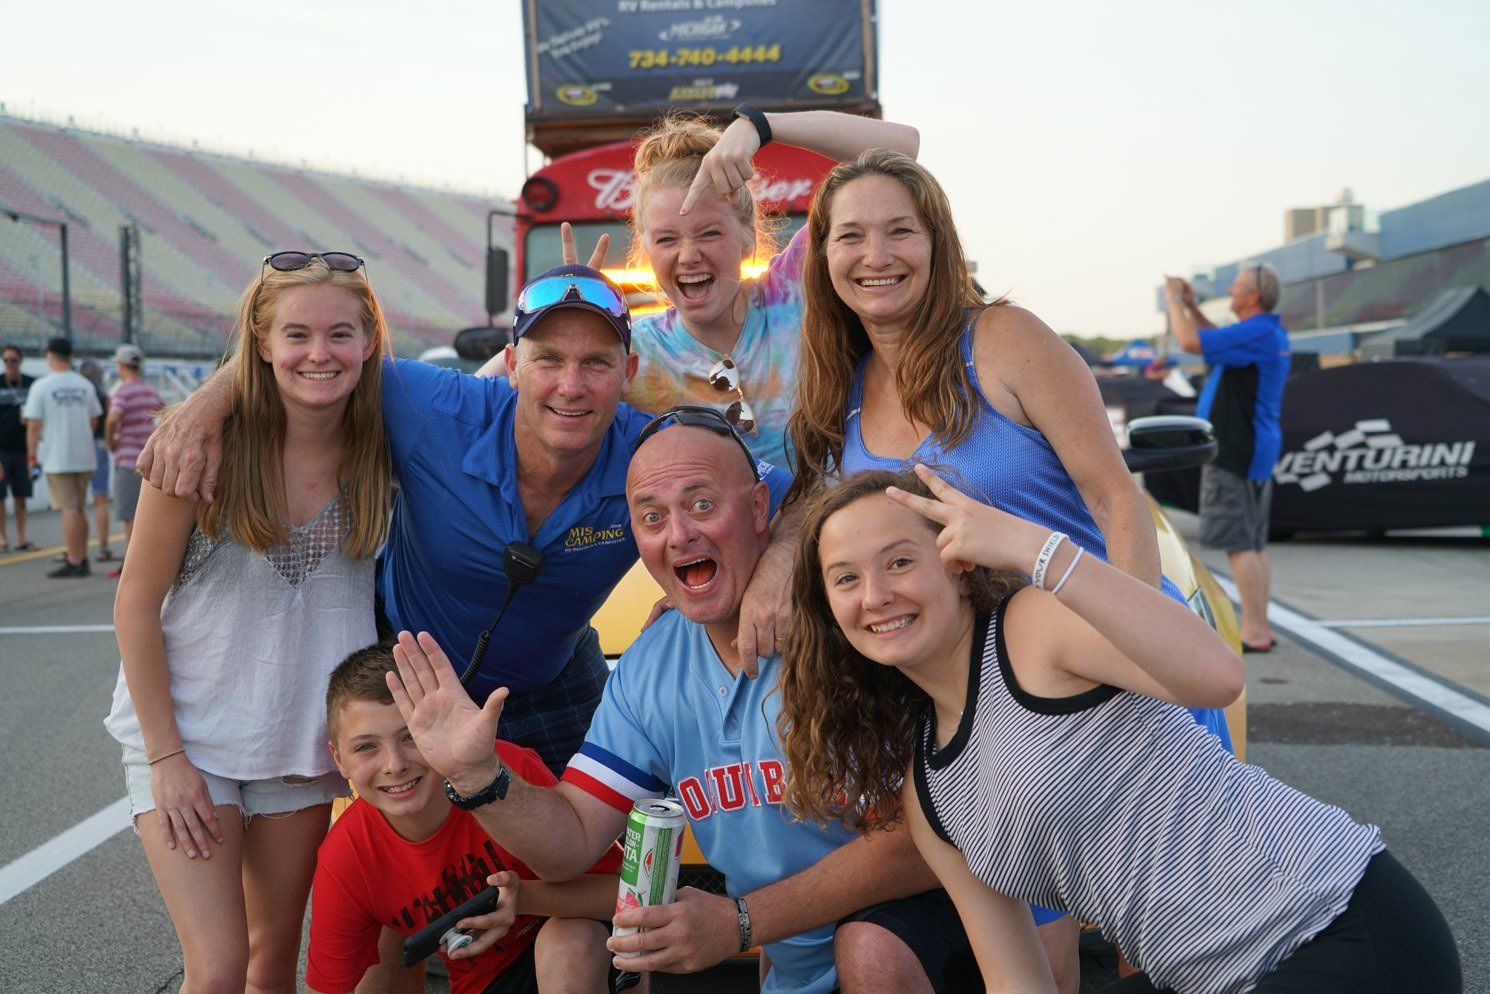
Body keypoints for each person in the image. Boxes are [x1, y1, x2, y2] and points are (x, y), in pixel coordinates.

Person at [379, 411, 1079, 994]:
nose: (678, 533)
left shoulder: (853, 620)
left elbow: (928, 840)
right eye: (652, 516)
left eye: (701, 504)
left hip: (940, 943)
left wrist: (740, 922)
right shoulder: (653, 667)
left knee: (869, 950)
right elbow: (570, 840)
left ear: (759, 509)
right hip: (791, 969)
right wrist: (479, 780)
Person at [777, 465, 1461, 994]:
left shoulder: (1032, 631)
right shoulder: (930, 796)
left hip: (1336, 928)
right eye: (845, 579)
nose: (875, 595)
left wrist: (1033, 547)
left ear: (957, 568)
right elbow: (1017, 980)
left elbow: (1218, 676)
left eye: (899, 562)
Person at [138, 266, 793, 773]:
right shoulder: (433, 406)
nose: (571, 385)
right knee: (407, 898)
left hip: (551, 679)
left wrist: (778, 563)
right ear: (511, 366)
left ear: (628, 372)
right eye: (548, 361)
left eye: (595, 363)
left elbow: (792, 497)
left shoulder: (655, 454)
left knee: (586, 869)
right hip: (407, 677)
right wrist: (203, 405)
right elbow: (313, 361)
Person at [785, 149, 1232, 753]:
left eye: (900, 231)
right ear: (823, 256)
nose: (877, 256)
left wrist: (1130, 669)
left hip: (1103, 676)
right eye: (851, 236)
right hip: (980, 715)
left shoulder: (1003, 339)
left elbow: (1115, 498)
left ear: (937, 243)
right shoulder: (838, 389)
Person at [104, 251, 393, 994]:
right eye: (296, 335)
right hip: (189, 739)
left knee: (271, 962)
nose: (318, 354)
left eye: (340, 335)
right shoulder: (198, 447)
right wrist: (166, 758)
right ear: (260, 346)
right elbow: (135, 602)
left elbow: (502, 385)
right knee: (219, 966)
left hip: (296, 741)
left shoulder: (387, 449)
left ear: (369, 341)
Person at [480, 108, 919, 469]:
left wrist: (760, 125)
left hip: (837, 548)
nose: (688, 255)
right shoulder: (635, 352)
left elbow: (901, 149)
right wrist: (563, 312)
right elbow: (485, 390)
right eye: (667, 239)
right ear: (646, 251)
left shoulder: (797, 290)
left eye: (709, 234)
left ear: (747, 235)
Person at [309, 644, 629, 994]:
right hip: (487, 981)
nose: (395, 764)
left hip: (589, 954)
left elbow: (630, 897)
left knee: (568, 942)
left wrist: (525, 899)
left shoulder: (502, 772)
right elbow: (333, 985)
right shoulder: (346, 855)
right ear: (338, 759)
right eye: (366, 746)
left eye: (411, 736)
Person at [1164, 265, 1290, 653]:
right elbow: (1214, 338)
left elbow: (1189, 342)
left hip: (1237, 448)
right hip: (1254, 448)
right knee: (1252, 543)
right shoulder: (1264, 331)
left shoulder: (1258, 331)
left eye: (1236, 288)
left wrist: (1171, 299)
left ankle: (1253, 632)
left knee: (1240, 544)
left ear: (1252, 297)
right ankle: (1260, 626)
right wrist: (1191, 304)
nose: (1231, 293)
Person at [22, 336, 101, 577]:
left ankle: (75, 559)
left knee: (69, 509)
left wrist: (32, 457)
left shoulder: (42, 386)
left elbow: (33, 426)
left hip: (59, 456)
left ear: (50, 355)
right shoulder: (84, 384)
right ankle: (82, 557)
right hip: (84, 455)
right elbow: (94, 419)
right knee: (78, 508)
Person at [104, 343, 164, 577]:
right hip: (149, 459)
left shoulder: (122, 391)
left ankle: (132, 565)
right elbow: (165, 415)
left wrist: (111, 439)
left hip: (128, 458)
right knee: (147, 514)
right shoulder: (150, 391)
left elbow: (112, 419)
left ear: (120, 366)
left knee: (130, 515)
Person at [78, 358, 116, 565]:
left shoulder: (81, 394)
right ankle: (102, 547)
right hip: (100, 444)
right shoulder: (103, 396)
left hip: (81, 445)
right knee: (100, 498)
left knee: (77, 502)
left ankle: (78, 550)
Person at [0, 342, 37, 553]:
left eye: (13, 360)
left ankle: (21, 537)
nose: (10, 364)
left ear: (20, 361)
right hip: (2, 448)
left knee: (21, 495)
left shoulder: (31, 383)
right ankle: (2, 538)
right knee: (0, 496)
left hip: (23, 448)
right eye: (6, 360)